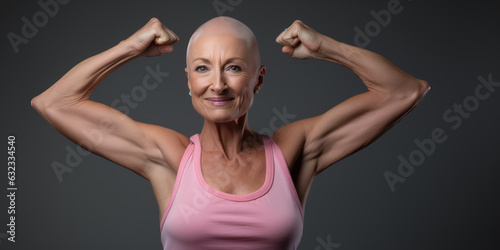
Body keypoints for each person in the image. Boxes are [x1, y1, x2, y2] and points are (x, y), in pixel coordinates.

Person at [31, 16, 430, 249]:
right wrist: (129, 47)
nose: (217, 84)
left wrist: (328, 47)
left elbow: (404, 91)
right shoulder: (169, 156)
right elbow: (54, 103)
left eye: (234, 68)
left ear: (258, 80)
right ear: (188, 81)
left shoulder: (293, 150)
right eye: (203, 68)